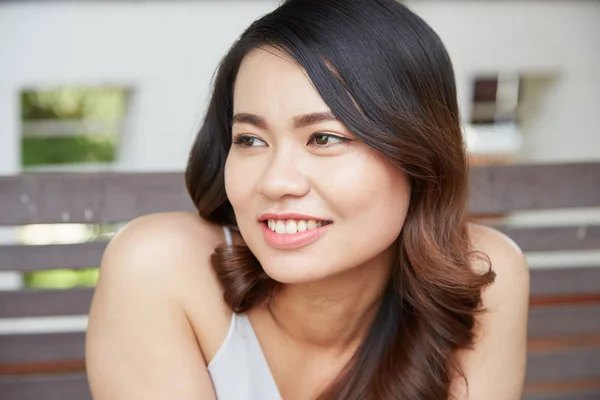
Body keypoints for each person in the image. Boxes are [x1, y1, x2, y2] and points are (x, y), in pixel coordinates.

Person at [85, 0, 529, 399]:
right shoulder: (158, 267)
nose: (276, 182)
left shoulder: (482, 274)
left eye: (324, 137)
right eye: (250, 140)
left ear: (419, 155)